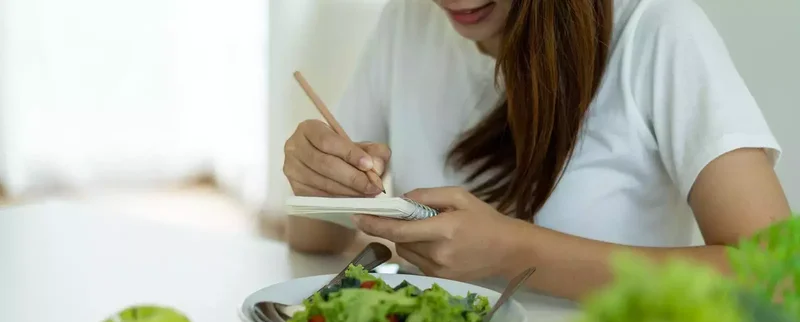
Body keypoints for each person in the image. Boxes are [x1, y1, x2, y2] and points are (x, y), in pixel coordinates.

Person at [282, 0, 791, 300]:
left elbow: (779, 280)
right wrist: (316, 176)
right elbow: (314, 238)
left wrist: (517, 252)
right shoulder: (409, 19)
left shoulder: (656, 30)